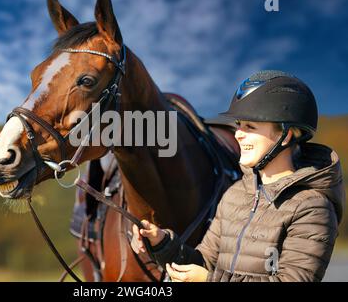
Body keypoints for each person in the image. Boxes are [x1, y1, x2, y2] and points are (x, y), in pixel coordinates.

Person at [131, 70, 345, 282]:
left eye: (250, 127)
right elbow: (204, 263)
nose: (238, 134)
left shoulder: (313, 207)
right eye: (239, 125)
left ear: (285, 136)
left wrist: (209, 281)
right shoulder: (234, 194)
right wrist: (161, 242)